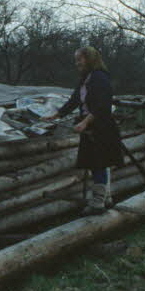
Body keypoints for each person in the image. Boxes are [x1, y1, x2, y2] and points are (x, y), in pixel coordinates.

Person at [57, 46, 124, 214]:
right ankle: (104, 198)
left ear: (89, 59)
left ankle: (98, 203)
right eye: (76, 60)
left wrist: (85, 122)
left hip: (101, 126)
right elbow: (74, 100)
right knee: (95, 164)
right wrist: (57, 114)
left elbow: (102, 105)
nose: (77, 63)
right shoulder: (85, 79)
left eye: (79, 59)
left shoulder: (100, 77)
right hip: (91, 126)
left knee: (99, 163)